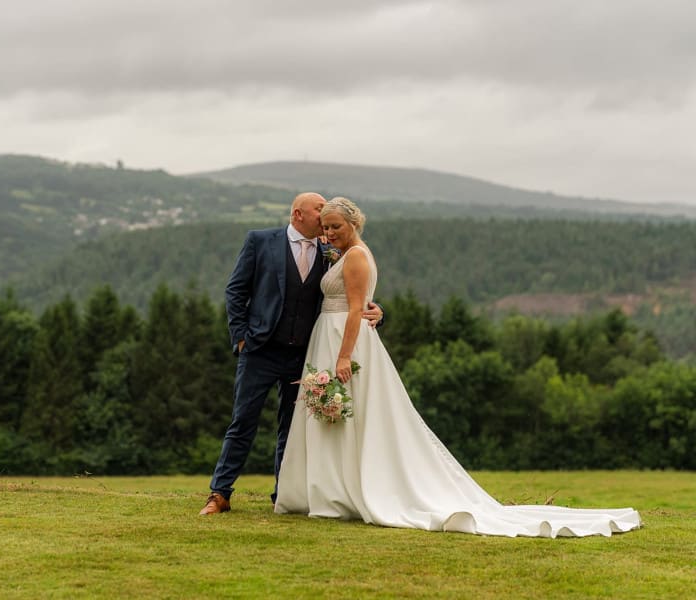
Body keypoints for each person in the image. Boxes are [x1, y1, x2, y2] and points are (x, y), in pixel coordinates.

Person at [274, 197, 642, 537]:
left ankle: (341, 493)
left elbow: (356, 308)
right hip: (330, 334)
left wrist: (342, 356)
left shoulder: (354, 256)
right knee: (334, 415)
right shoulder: (341, 254)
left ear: (354, 223)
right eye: (325, 227)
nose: (329, 233)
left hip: (344, 339)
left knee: (350, 414)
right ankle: (330, 489)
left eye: (336, 226)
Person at [199, 192, 383, 515]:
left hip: (304, 355)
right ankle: (220, 493)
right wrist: (241, 338)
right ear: (298, 214)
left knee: (293, 427)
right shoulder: (260, 241)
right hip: (259, 351)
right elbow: (235, 290)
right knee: (243, 422)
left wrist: (377, 311)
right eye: (318, 210)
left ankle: (282, 494)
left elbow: (353, 293)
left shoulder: (332, 250)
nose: (324, 217)